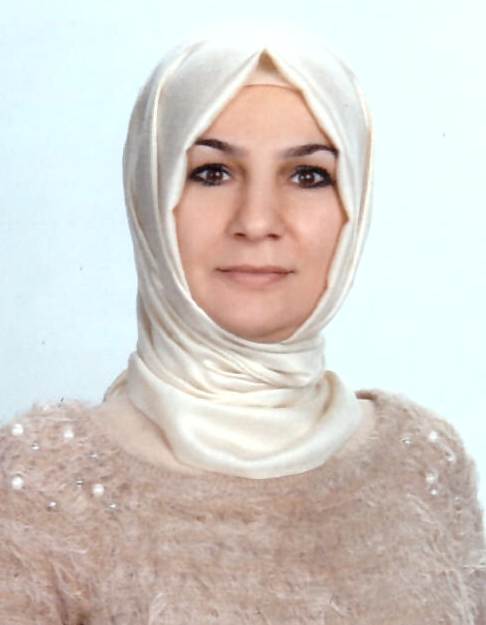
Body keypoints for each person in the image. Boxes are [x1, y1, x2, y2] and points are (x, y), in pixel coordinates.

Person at [0, 29, 484, 624]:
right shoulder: (44, 488)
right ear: (149, 196)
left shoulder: (422, 463)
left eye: (307, 176)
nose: (256, 222)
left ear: (354, 208)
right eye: (212, 173)